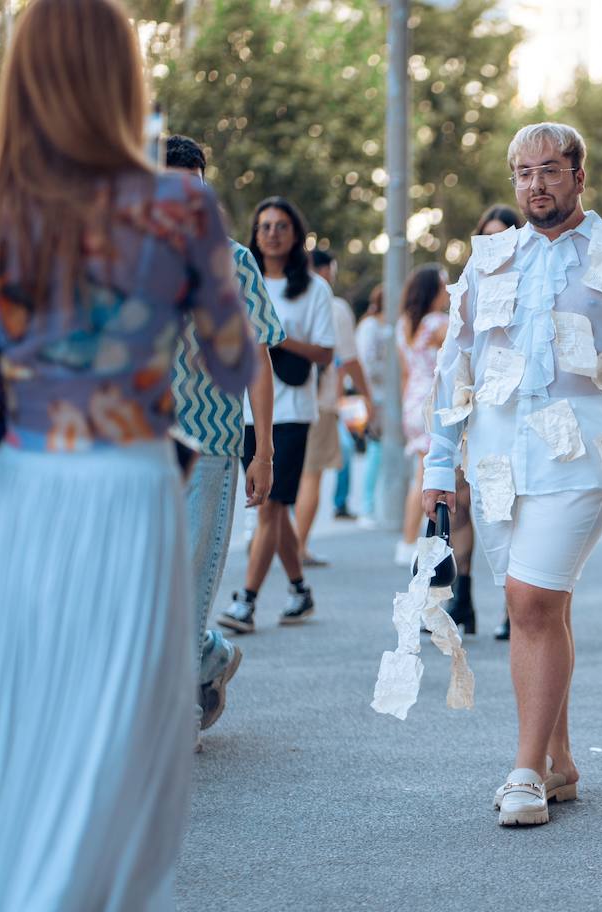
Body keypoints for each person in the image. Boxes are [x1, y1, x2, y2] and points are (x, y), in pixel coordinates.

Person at [0, 0, 256, 907]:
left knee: (20, 736)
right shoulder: (180, 207)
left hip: (22, 495)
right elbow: (235, 363)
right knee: (123, 749)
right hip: (131, 489)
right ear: (128, 78)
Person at [418, 122, 602, 826]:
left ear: (578, 176)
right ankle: (562, 762)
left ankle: (524, 773)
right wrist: (438, 462)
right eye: (522, 173)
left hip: (587, 455)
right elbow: (456, 368)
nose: (535, 185)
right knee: (540, 605)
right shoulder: (488, 262)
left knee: (531, 601)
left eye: (549, 170)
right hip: (497, 459)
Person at [164, 134, 286, 736]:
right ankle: (210, 655)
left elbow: (258, 359)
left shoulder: (233, 261)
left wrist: (260, 450)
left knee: (184, 583)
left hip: (209, 445)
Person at [219, 198, 334, 633]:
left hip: (291, 412)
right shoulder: (239, 277)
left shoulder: (313, 289)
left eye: (281, 225)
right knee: (276, 506)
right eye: (264, 225)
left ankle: (246, 602)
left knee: (267, 505)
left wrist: (272, 339)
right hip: (241, 409)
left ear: (294, 233)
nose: (271, 233)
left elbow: (325, 351)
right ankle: (300, 589)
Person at [294, 249, 371, 565]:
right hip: (320, 402)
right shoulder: (334, 306)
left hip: (281, 402)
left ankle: (271, 538)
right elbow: (350, 359)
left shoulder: (288, 299)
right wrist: (366, 396)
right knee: (311, 476)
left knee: (287, 476)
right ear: (325, 270)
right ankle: (297, 548)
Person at [466, 204, 522, 640]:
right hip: (478, 415)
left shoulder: (534, 282)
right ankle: (463, 595)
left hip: (525, 418)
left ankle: (515, 607)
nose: (495, 245)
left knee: (518, 511)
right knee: (476, 509)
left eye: (503, 236)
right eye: (488, 237)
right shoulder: (471, 284)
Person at [392, 264, 450, 570]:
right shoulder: (438, 323)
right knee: (427, 477)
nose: (447, 293)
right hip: (432, 402)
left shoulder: (403, 326)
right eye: (443, 287)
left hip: (411, 401)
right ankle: (415, 543)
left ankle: (407, 541)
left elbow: (404, 372)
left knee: (421, 473)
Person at [354, 283, 392, 521]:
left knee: (383, 453)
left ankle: (376, 506)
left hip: (387, 397)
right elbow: (365, 364)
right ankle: (366, 507)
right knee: (375, 451)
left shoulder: (387, 326)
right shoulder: (370, 327)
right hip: (374, 396)